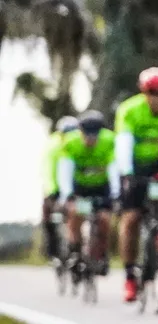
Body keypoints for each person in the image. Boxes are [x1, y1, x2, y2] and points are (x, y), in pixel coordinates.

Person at [114, 68, 158, 301]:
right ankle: (129, 275)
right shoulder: (130, 110)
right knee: (130, 219)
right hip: (137, 166)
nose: (157, 98)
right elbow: (123, 142)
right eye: (152, 92)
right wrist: (126, 172)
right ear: (143, 91)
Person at [56, 111, 120, 271]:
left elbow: (114, 168)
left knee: (104, 220)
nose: (90, 139)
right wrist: (67, 194)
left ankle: (102, 254)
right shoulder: (71, 142)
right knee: (75, 213)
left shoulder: (109, 140)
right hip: (79, 187)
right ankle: (75, 248)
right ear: (80, 132)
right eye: (87, 135)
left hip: (101, 187)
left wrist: (116, 193)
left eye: (94, 135)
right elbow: (65, 169)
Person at [42, 115, 79, 263]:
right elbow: (48, 171)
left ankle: (76, 246)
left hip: (75, 187)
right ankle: (52, 250)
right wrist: (52, 191)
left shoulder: (78, 145)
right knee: (47, 212)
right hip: (55, 186)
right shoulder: (53, 146)